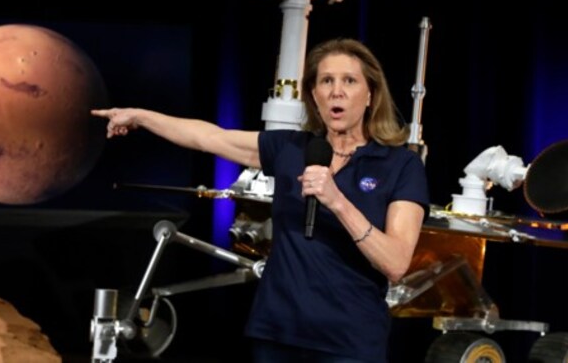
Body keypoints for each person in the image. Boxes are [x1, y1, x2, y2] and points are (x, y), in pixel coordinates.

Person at [92, 38, 429, 363]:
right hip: (278, 332)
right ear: (314, 94)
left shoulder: (400, 165)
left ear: (370, 94)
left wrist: (337, 201)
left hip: (350, 340)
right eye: (326, 80)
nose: (336, 91)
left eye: (349, 81)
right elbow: (209, 137)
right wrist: (140, 116)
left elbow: (396, 263)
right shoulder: (291, 148)